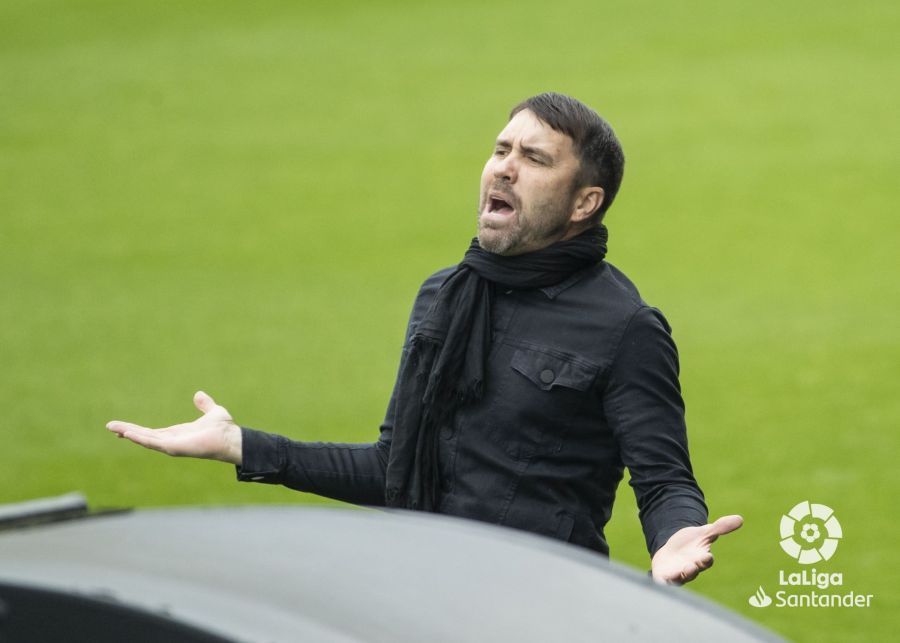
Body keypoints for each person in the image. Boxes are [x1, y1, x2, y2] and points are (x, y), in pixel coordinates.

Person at [107, 92, 742, 584]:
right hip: (423, 591)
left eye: (535, 158)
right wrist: (242, 445)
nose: (505, 169)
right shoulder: (446, 296)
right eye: (501, 150)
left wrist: (674, 538)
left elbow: (664, 482)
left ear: (585, 203)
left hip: (544, 605)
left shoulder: (625, 327)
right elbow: (394, 469)